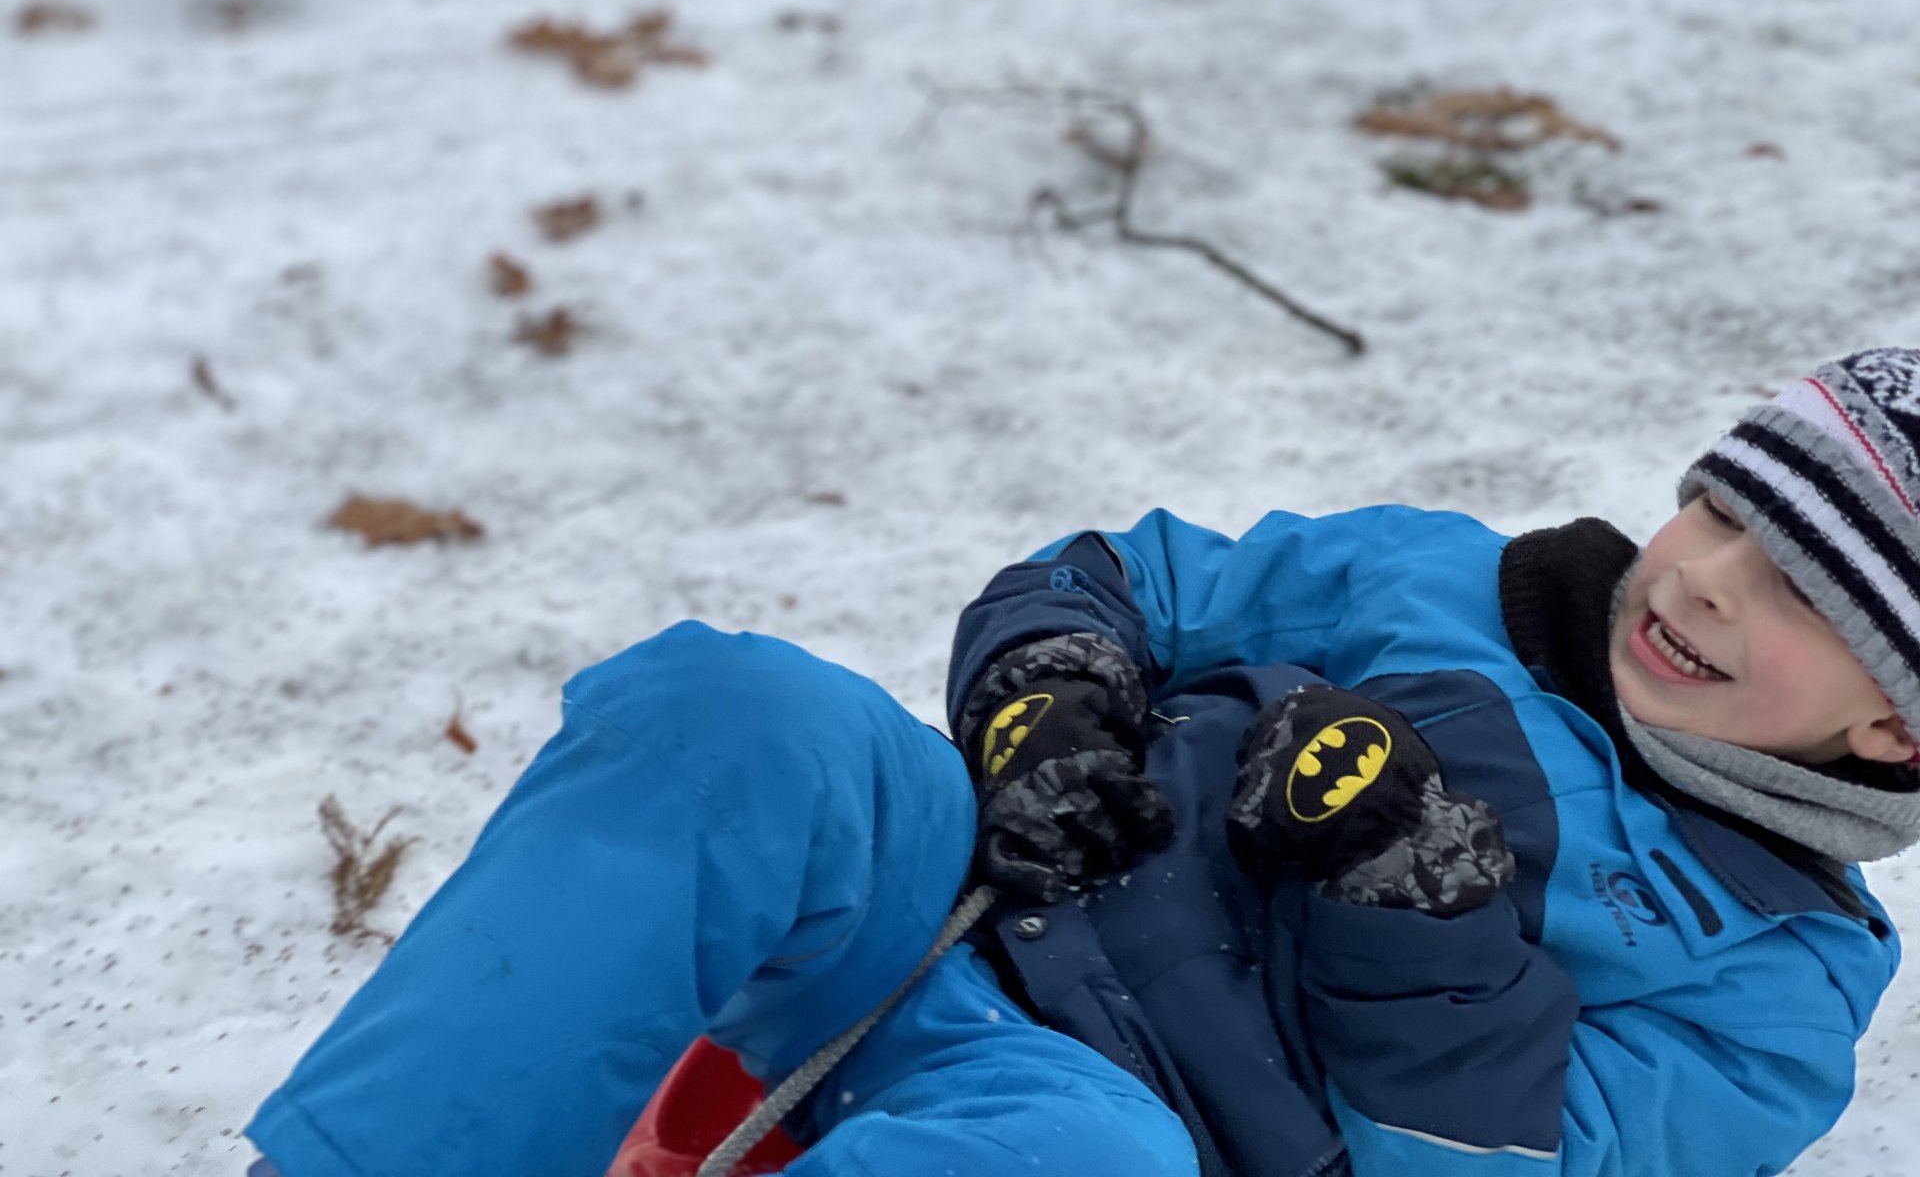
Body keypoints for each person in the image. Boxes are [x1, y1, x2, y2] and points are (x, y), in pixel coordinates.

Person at [247, 348, 1920, 1177]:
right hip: (953, 897)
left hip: (1128, 1117)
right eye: (1720, 508)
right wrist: (1049, 701)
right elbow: (1123, 580)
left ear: (1896, 727)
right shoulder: (1438, 581)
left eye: (1799, 590)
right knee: (736, 716)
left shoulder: (1777, 988)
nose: (1707, 576)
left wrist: (1413, 904)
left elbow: (1504, 1163)